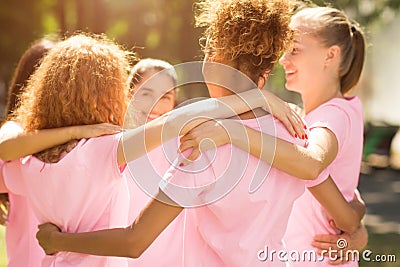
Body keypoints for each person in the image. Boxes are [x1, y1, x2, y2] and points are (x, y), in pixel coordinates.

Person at [34, 1, 322, 266]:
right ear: (269, 65)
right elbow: (332, 191)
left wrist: (58, 241)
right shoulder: (294, 129)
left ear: (215, 55)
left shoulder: (203, 143)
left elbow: (134, 241)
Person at [178, 5, 367, 266]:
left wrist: (232, 131)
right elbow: (340, 188)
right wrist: (357, 212)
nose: (283, 60)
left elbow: (311, 165)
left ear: (330, 55)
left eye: (296, 50)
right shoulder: (318, 116)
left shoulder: (333, 115)